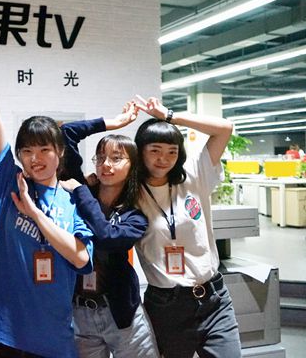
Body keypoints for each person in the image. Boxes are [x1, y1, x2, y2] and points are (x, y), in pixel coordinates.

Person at [0, 25, 94, 357]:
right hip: (5, 329)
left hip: (54, 334)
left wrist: (36, 215)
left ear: (60, 153)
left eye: (43, 150)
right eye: (26, 151)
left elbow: (81, 257)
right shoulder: (10, 183)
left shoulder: (74, 199)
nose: (34, 158)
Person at [132, 95, 240, 358]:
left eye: (172, 151)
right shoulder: (131, 192)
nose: (164, 158)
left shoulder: (193, 175)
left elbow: (224, 129)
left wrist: (169, 116)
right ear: (141, 151)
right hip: (166, 305)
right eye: (155, 150)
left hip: (213, 298)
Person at [58, 105, 159, 358]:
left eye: (116, 158)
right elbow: (66, 133)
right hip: (78, 311)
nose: (106, 165)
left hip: (121, 314)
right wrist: (114, 123)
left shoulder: (135, 213)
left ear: (132, 166)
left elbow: (107, 237)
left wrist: (80, 190)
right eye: (101, 157)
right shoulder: (85, 190)